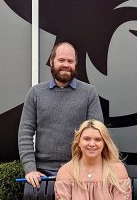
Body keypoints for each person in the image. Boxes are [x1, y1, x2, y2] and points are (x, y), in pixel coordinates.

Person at [18, 41, 103, 187]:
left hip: (78, 173)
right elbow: (25, 133)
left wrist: (84, 166)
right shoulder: (36, 93)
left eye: (70, 61)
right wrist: (30, 169)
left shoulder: (89, 93)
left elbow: (97, 135)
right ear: (52, 62)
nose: (66, 64)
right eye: (61, 60)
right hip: (41, 174)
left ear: (76, 64)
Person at [54, 119, 131, 200]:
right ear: (78, 141)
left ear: (104, 143)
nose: (92, 144)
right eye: (87, 139)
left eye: (97, 139)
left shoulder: (117, 170)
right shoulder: (66, 172)